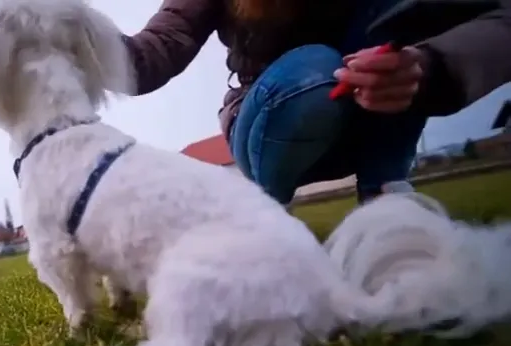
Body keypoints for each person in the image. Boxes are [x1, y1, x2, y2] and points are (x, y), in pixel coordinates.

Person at [121, 0, 511, 205]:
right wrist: (81, 39)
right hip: (273, 113)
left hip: (370, 113)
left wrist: (432, 65)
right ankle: (264, 212)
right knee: (317, 71)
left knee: (400, 16)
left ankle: (386, 195)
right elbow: (158, 49)